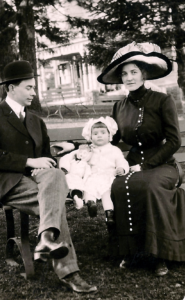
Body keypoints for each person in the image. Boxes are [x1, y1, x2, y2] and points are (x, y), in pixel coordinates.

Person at [55, 41, 185, 277]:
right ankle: (130, 252)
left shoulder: (162, 100)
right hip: (130, 163)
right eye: (124, 74)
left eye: (134, 72)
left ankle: (159, 255)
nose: (129, 77)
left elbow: (174, 142)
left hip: (163, 164)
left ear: (144, 73)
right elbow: (108, 141)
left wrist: (145, 165)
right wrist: (75, 146)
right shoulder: (119, 106)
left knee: (149, 186)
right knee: (119, 184)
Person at [0, 60, 97, 293]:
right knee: (55, 200)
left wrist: (46, 162)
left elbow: (43, 156)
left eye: (34, 87)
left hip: (34, 178)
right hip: (3, 182)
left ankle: (47, 240)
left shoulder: (35, 121)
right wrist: (29, 162)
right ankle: (69, 270)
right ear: (11, 88)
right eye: (29, 87)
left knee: (54, 177)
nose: (34, 92)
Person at [60, 117, 129, 226]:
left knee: (107, 192)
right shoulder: (88, 149)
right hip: (92, 175)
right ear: (90, 136)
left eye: (103, 132)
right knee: (89, 189)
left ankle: (109, 213)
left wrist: (121, 168)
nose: (99, 135)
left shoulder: (114, 150)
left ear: (109, 135)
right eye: (95, 134)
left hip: (108, 175)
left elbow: (121, 161)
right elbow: (76, 158)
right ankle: (91, 203)